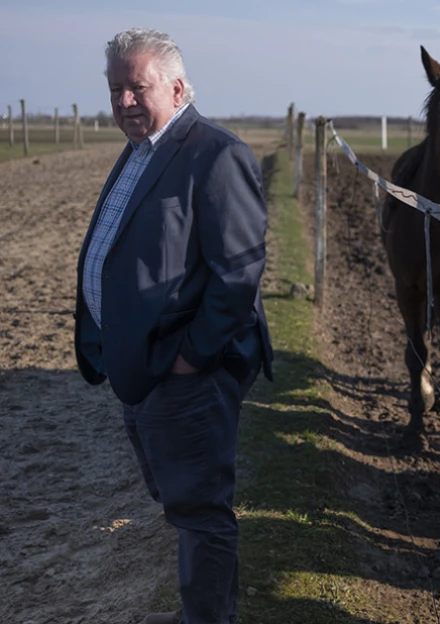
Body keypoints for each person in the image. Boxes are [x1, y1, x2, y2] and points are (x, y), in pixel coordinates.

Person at [73, 28, 273, 624]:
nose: (125, 102)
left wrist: (193, 355)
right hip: (141, 366)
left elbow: (238, 271)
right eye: (116, 91)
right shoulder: (141, 151)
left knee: (200, 510)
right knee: (178, 499)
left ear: (178, 86)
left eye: (138, 88)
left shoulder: (215, 152)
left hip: (185, 370)